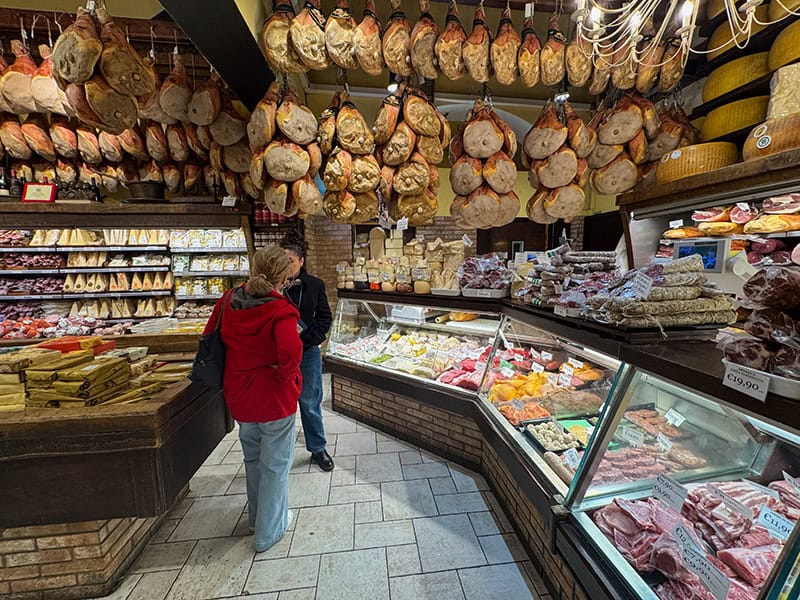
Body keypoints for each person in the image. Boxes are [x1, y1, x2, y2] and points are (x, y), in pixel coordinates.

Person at [203, 245, 302, 553]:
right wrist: (284, 377)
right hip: (273, 397)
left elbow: (209, 336)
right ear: (284, 276)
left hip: (240, 394)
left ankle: (256, 519)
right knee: (275, 464)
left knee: (254, 459)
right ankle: (268, 533)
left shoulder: (228, 300)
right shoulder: (280, 310)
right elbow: (292, 352)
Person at [281, 231, 334, 472]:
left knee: (310, 402)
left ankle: (317, 448)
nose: (286, 266)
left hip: (307, 352)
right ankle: (281, 451)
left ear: (301, 261)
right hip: (279, 354)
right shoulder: (273, 286)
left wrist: (311, 338)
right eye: (282, 261)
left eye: (290, 261)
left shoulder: (315, 285)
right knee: (282, 403)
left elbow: (325, 317)